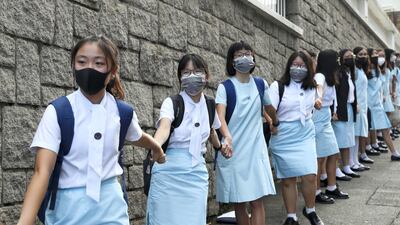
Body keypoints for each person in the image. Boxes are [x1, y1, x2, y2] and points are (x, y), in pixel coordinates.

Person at [17, 35, 166, 225]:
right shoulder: (59, 112)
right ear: (73, 66)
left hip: (111, 210)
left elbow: (137, 136)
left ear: (112, 71)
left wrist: (156, 148)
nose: (89, 68)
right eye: (81, 61)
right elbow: (42, 171)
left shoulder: (122, 112)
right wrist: (25, 221)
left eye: (98, 63)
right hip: (67, 211)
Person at [146, 53, 229, 225]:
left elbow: (212, 131)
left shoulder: (210, 105)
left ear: (206, 76)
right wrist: (156, 145)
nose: (192, 76)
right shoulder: (172, 103)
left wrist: (220, 147)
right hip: (168, 171)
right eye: (186, 72)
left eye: (197, 71)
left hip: (196, 175)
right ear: (180, 77)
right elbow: (164, 127)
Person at [215, 41, 277, 225]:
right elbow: (220, 118)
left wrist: (274, 120)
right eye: (239, 54)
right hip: (234, 152)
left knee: (257, 201)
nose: (244, 57)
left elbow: (269, 107)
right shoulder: (225, 87)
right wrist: (227, 137)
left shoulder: (260, 84)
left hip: (255, 151)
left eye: (248, 53)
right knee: (239, 202)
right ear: (231, 61)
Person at [269, 51, 324, 225]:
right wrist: (273, 122)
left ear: (308, 68)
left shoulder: (312, 86)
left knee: (310, 174)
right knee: (288, 178)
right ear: (288, 66)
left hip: (305, 133)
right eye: (295, 65)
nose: (298, 69)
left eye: (302, 65)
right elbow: (267, 106)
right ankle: (291, 216)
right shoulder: (278, 86)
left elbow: (320, 87)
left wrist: (318, 100)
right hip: (283, 134)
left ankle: (310, 211)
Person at [312, 49, 349, 205]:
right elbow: (318, 88)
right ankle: (315, 192)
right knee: (319, 157)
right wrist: (319, 98)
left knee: (333, 153)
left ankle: (332, 187)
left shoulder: (332, 77)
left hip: (326, 116)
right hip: (318, 117)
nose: (339, 63)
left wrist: (333, 112)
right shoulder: (320, 76)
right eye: (336, 60)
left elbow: (332, 97)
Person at [332, 49, 359, 179]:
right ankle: (336, 169)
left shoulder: (349, 73)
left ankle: (347, 166)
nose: (350, 59)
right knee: (338, 140)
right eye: (347, 57)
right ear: (341, 59)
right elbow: (335, 94)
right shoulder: (338, 73)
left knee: (348, 140)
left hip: (349, 109)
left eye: (351, 56)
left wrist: (355, 104)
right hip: (341, 110)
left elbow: (353, 92)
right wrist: (335, 110)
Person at [350, 47, 373, 171]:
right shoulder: (355, 70)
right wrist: (356, 103)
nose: (363, 56)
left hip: (363, 107)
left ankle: (356, 161)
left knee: (358, 135)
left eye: (365, 54)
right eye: (360, 54)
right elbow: (352, 88)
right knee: (354, 135)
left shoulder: (361, 70)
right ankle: (351, 162)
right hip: (357, 106)